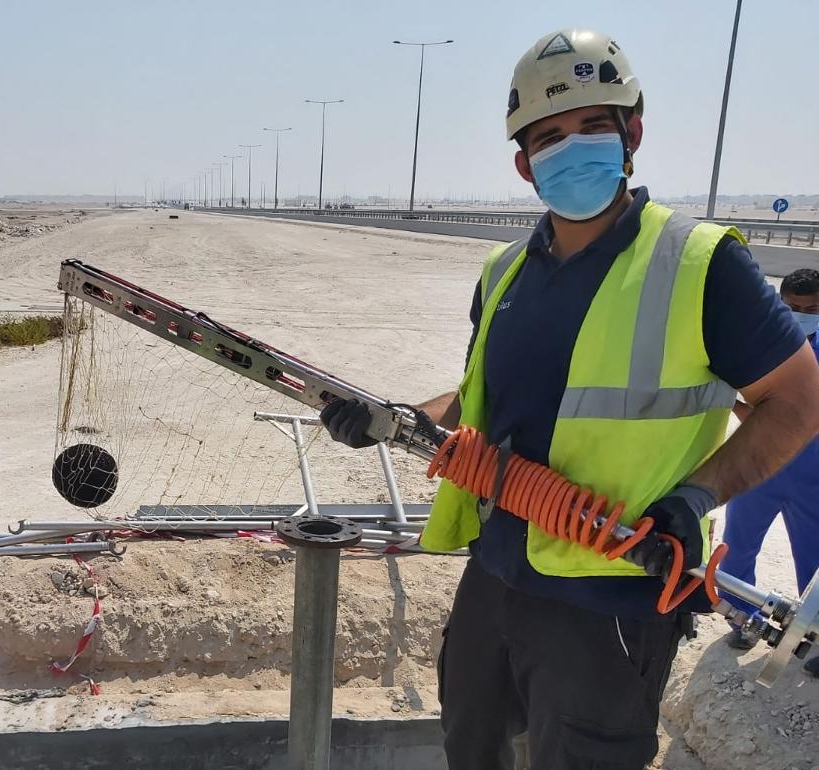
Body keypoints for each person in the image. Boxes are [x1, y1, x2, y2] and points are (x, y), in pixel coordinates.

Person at [320, 29, 819, 770]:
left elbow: (798, 401)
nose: (573, 146)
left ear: (632, 134)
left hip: (612, 596)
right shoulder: (505, 271)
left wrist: (694, 496)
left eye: (594, 124)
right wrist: (400, 420)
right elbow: (479, 394)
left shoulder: (699, 264)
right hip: (496, 577)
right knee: (473, 747)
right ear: (525, 164)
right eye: (550, 136)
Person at [720, 268, 819, 677]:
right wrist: (741, 409)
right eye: (792, 307)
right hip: (758, 468)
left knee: (813, 562)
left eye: (812, 309)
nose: (801, 315)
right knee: (737, 546)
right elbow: (731, 395)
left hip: (811, 476)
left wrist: (762, 416)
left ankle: (812, 634)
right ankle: (742, 618)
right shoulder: (760, 343)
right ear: (779, 304)